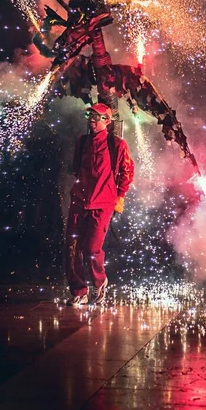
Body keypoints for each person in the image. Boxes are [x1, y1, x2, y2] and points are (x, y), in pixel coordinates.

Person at [65, 102, 135, 306]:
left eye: (98, 118)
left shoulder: (117, 145)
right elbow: (77, 170)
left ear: (108, 121)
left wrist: (120, 196)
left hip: (103, 203)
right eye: (91, 117)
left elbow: (127, 172)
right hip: (80, 202)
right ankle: (79, 291)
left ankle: (99, 281)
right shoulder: (82, 141)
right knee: (72, 248)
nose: (94, 121)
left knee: (92, 248)